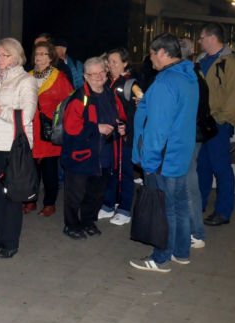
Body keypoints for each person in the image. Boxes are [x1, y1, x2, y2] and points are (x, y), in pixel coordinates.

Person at [130, 34, 198, 273]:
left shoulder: (165, 81)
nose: (150, 59)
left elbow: (158, 127)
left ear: (161, 52)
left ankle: (161, 258)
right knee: (178, 204)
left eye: (151, 53)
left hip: (162, 158)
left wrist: (148, 162)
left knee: (164, 208)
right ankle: (181, 252)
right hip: (180, 153)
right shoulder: (188, 77)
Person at [0, 38, 38, 258]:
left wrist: (0, 110)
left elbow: (27, 115)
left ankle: (11, 242)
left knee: (12, 195)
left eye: (5, 55)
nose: (0, 59)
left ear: (17, 56)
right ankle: (0, 237)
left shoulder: (26, 81)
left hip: (14, 146)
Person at [61, 57, 127, 241]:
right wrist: (96, 127)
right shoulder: (79, 97)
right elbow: (71, 127)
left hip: (104, 155)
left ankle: (88, 221)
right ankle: (72, 225)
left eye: (102, 72)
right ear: (85, 76)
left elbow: (120, 116)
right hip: (81, 155)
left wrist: (122, 126)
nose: (99, 76)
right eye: (94, 73)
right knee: (74, 194)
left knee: (96, 194)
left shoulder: (110, 94)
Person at [197, 22, 235, 227]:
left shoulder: (230, 62)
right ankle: (198, 203)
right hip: (202, 123)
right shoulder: (200, 61)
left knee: (221, 168)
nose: (198, 41)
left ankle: (223, 211)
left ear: (212, 38)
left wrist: (221, 119)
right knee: (202, 167)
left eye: (201, 37)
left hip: (218, 124)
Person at [26, 41, 73, 217]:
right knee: (31, 170)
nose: (38, 57)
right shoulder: (27, 76)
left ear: (51, 57)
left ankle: (49, 203)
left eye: (43, 53)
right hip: (30, 130)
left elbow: (68, 104)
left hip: (48, 131)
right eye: (36, 53)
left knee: (50, 170)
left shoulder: (58, 78)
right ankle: (30, 199)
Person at [97, 48, 139, 226]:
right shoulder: (105, 82)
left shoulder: (132, 84)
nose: (111, 65)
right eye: (109, 61)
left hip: (125, 136)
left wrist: (127, 128)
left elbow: (139, 111)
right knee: (110, 171)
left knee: (125, 173)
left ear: (125, 63)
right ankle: (108, 205)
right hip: (109, 136)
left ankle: (124, 209)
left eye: (115, 61)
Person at [180, 38, 209, 249]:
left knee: (189, 184)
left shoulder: (187, 76)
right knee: (187, 182)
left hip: (189, 135)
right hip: (194, 134)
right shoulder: (196, 73)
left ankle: (196, 233)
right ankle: (190, 229)